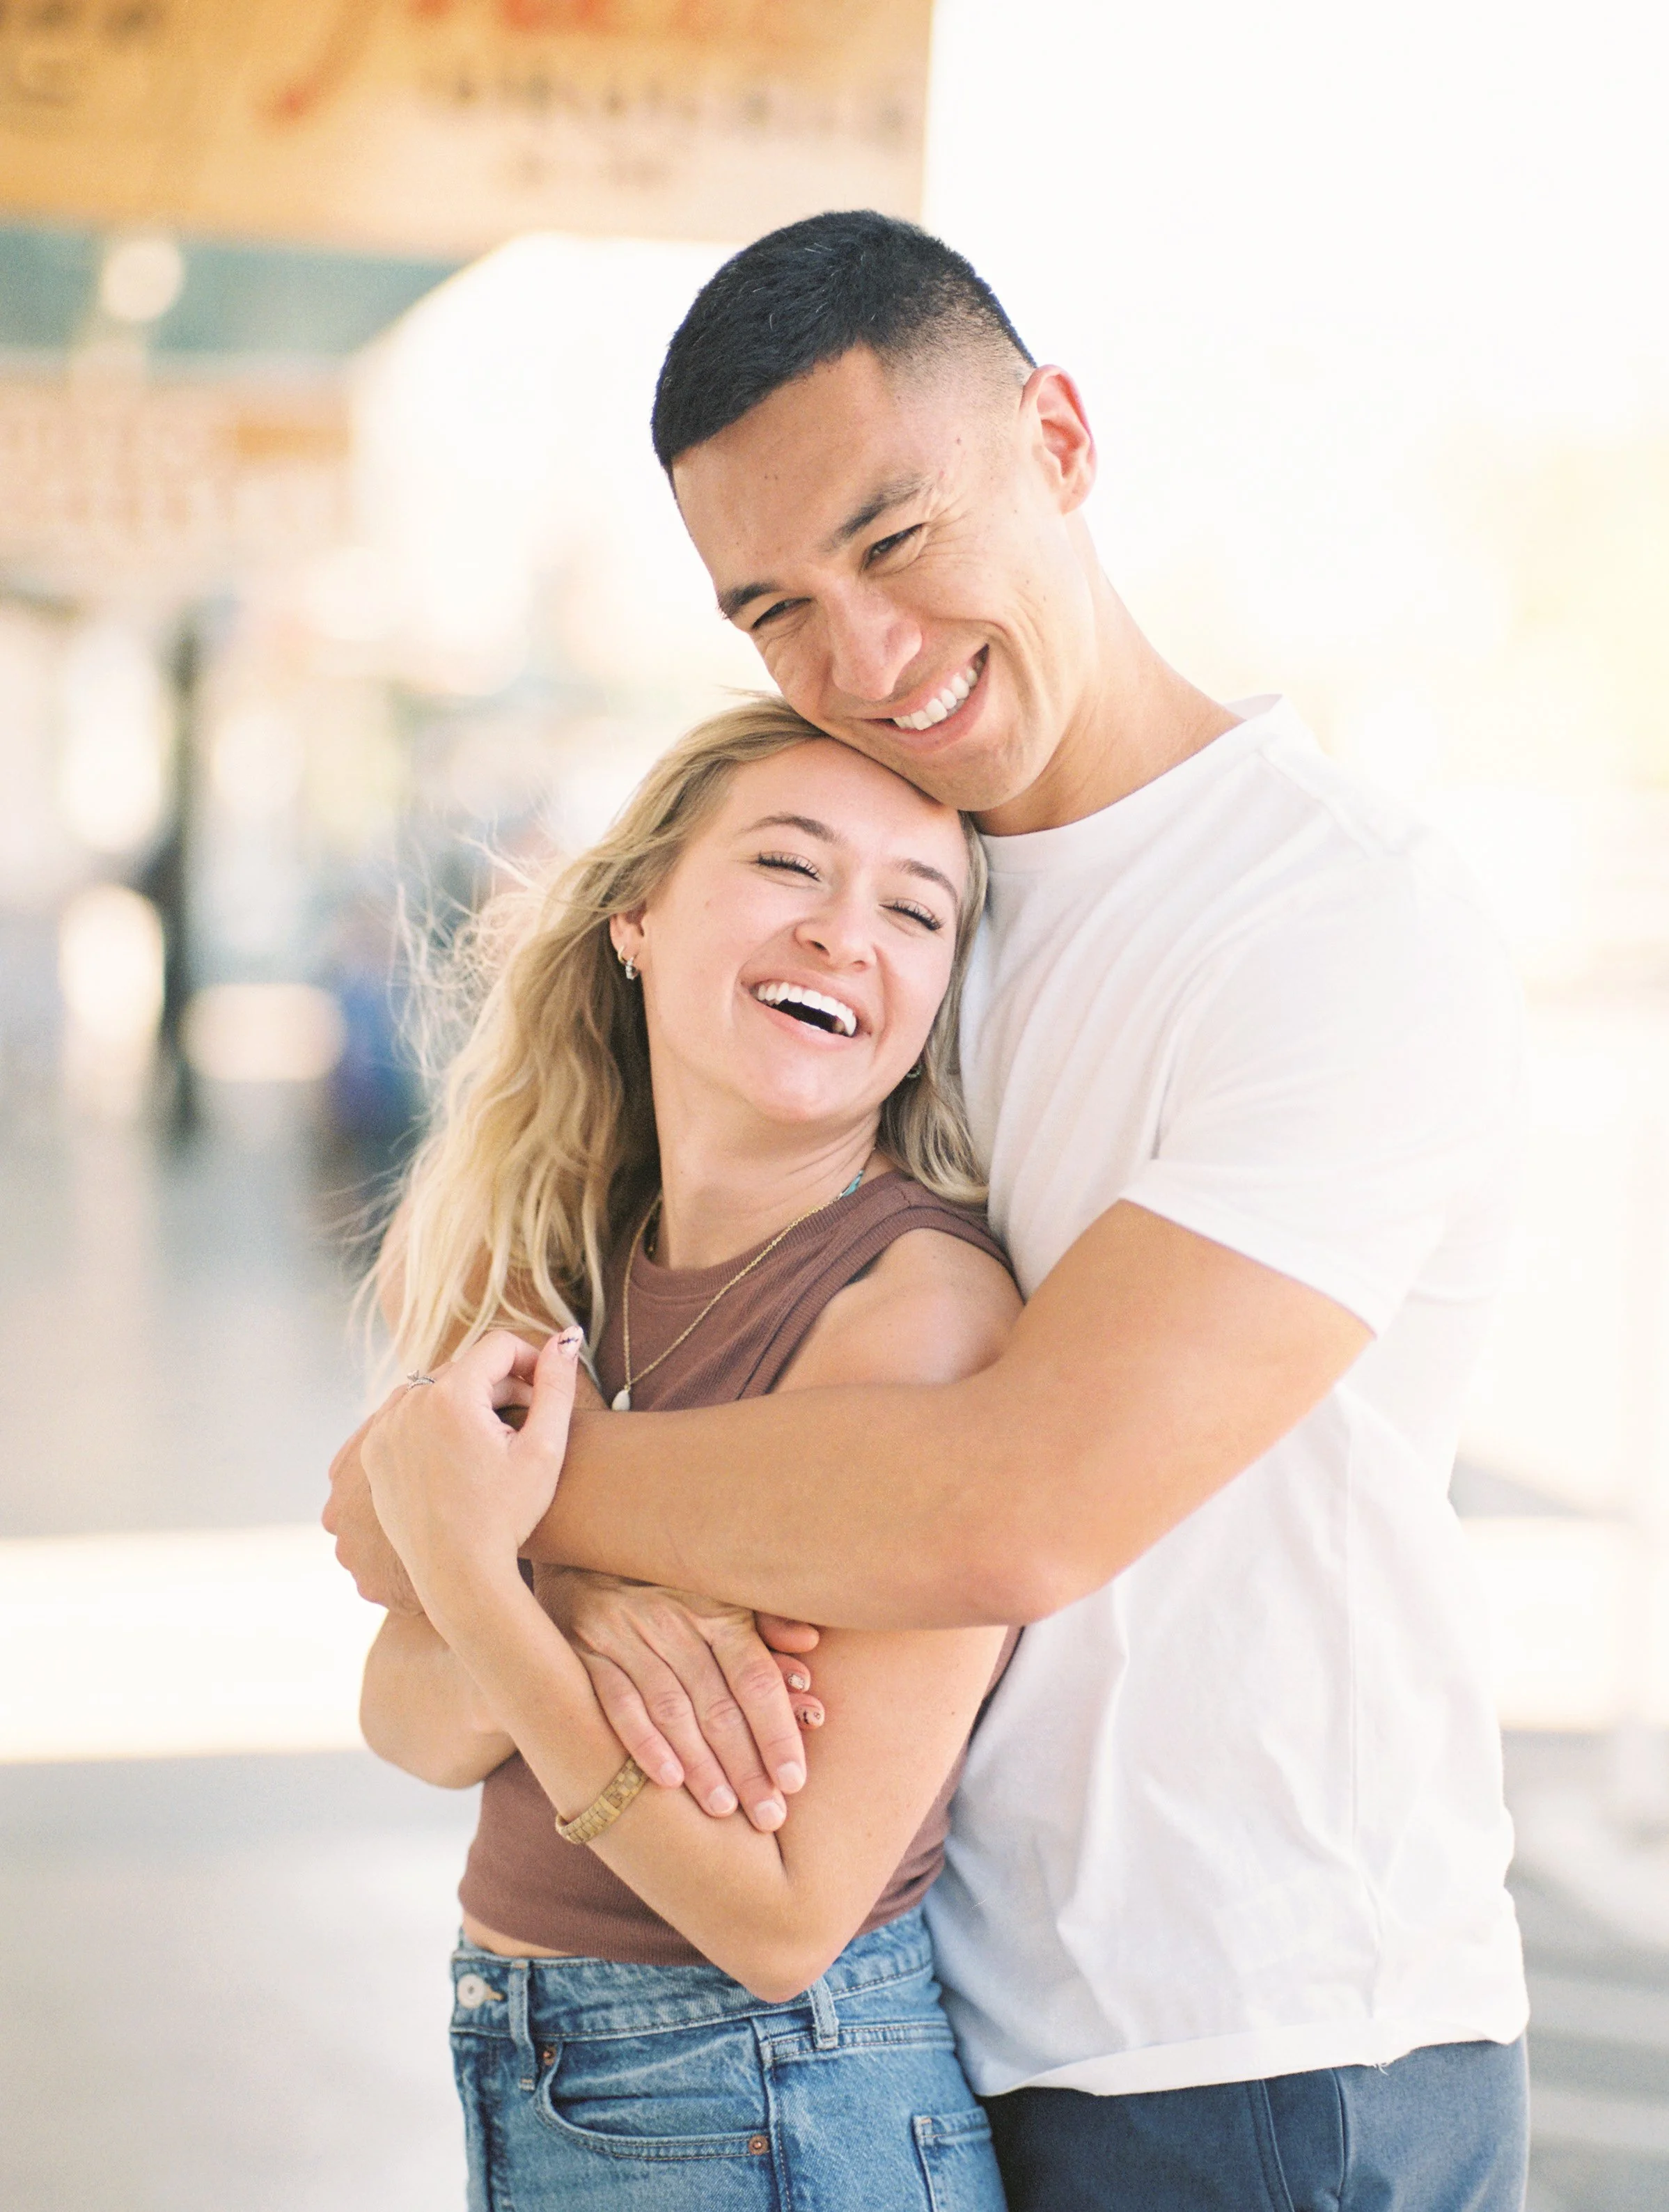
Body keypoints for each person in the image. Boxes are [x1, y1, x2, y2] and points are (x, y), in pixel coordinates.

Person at [329, 212, 1530, 2210]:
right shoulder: (915, 903)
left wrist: (484, 1511)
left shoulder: (1330, 917)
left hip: (1267, 2045)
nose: (862, 658)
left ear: (1057, 439)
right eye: (774, 608)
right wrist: (542, 1571)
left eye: (896, 544)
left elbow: (1007, 1508)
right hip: (961, 2028)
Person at [355, 700, 1019, 2209]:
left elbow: (782, 1916)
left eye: (915, 911)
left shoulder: (911, 1314)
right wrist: (578, 1606)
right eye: (791, 867)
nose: (849, 933)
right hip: (547, 2069)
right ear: (638, 913)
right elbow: (403, 1717)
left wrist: (483, 1572)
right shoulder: (561, 1267)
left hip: (776, 2087)